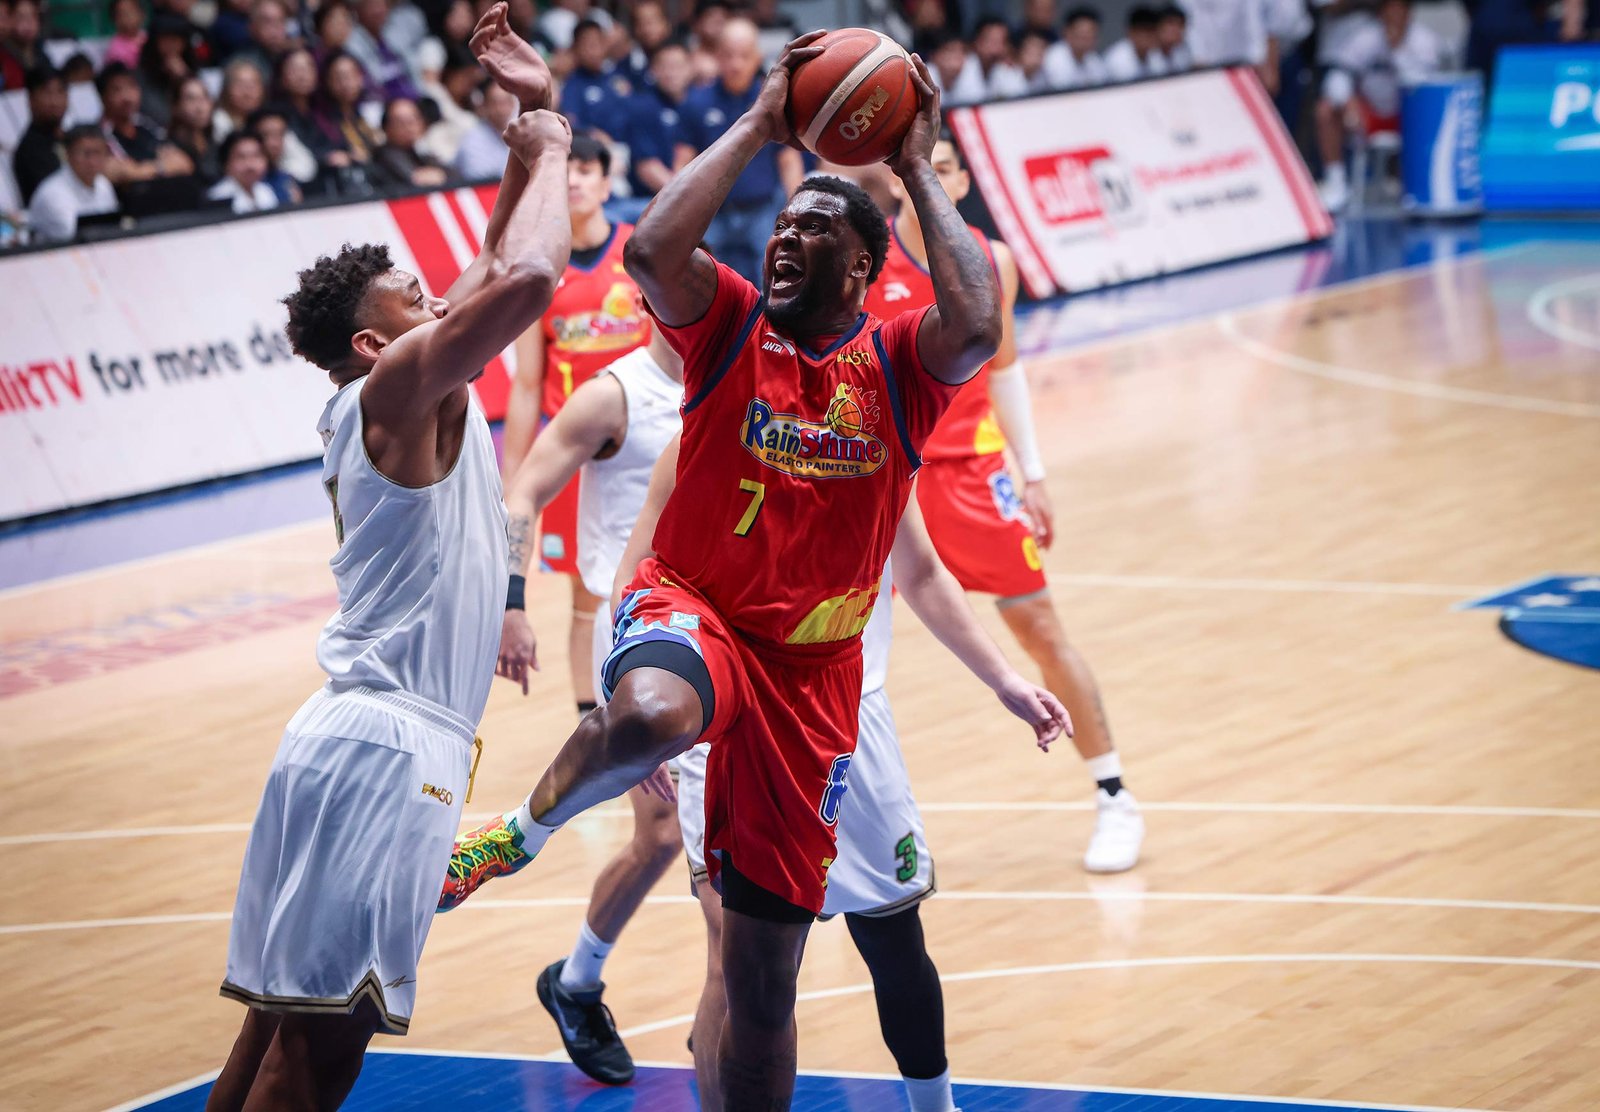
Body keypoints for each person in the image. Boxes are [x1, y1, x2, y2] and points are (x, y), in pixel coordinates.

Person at [441, 33, 1066, 1108]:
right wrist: (760, 122)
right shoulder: (729, 326)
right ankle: (517, 832)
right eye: (781, 224)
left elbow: (977, 321)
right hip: (694, 609)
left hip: (813, 683)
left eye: (815, 229)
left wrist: (913, 162)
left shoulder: (896, 366)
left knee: (761, 980)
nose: (786, 238)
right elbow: (652, 257)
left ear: (864, 272)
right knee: (647, 711)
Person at [203, 8, 571, 1110]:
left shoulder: (392, 396)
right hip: (389, 749)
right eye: (414, 301)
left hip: (335, 736)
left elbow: (492, 269)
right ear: (373, 343)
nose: (439, 302)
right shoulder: (398, 390)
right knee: (321, 1058)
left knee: (272, 1029)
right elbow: (533, 279)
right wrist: (553, 148)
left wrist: (524, 119)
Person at [866, 136, 1145, 874]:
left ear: (957, 183)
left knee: (1041, 628)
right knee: (848, 652)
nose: (939, 175)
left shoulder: (994, 261)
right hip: (889, 477)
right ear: (899, 183)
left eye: (951, 166)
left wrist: (1035, 470)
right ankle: (838, 830)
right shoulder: (867, 260)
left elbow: (1008, 369)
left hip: (973, 471)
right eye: (926, 165)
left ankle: (1115, 795)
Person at [496, 328, 686, 1086]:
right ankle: (736, 1033)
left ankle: (575, 982)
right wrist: (513, 603)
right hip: (637, 632)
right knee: (690, 842)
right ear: (644, 296)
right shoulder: (615, 394)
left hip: (720, 629)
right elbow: (525, 492)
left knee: (671, 839)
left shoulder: (741, 369)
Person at [503, 132, 651, 722]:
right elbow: (526, 385)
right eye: (566, 170)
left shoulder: (640, 256)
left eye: (587, 170)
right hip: (574, 460)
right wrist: (515, 478)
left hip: (644, 448)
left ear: (607, 183)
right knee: (586, 596)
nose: (575, 180)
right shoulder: (539, 272)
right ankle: (595, 723)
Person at [674, 16, 803, 283]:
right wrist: (683, 212)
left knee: (774, 281)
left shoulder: (772, 101)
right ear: (717, 57)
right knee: (702, 283)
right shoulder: (695, 102)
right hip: (712, 213)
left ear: (757, 57)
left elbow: (788, 159)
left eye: (744, 56)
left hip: (764, 210)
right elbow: (683, 163)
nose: (736, 64)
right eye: (729, 55)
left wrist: (796, 207)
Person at [1316, 0, 1444, 210]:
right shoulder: (1365, 38)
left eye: (1398, 10)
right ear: (1380, 14)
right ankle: (1336, 183)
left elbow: (1421, 88)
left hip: (1410, 117)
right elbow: (1337, 76)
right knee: (1326, 110)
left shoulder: (1425, 41)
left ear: (1408, 13)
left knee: (1425, 109)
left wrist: (1397, 51)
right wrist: (1348, 101)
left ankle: (1419, 183)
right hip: (1370, 116)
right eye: (1389, 11)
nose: (1393, 17)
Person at [619, 37, 690, 219]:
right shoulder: (642, 107)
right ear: (653, 70)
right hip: (650, 200)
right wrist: (687, 197)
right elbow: (647, 167)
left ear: (690, 68)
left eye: (678, 66)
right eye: (665, 66)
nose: (671, 73)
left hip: (695, 195)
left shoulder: (699, 104)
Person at [97, 62, 196, 186]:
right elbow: (121, 175)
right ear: (103, 97)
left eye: (131, 87)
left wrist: (140, 170)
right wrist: (163, 167)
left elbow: (184, 164)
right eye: (117, 90)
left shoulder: (147, 125)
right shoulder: (99, 135)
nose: (127, 97)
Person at [27, 125, 118, 242]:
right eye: (86, 154)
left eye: (98, 153)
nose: (93, 161)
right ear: (68, 154)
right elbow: (73, 237)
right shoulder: (52, 194)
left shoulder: (103, 184)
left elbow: (114, 229)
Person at [560, 17, 633, 140]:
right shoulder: (572, 85)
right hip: (596, 149)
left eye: (597, 43)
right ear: (576, 49)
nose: (593, 50)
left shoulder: (618, 76)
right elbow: (570, 122)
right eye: (587, 45)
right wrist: (593, 134)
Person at [372, 95, 456, 188]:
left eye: (413, 120)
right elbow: (413, 178)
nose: (409, 127)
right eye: (401, 122)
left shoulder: (420, 152)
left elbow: (454, 175)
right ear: (386, 128)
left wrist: (441, 175)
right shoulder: (384, 155)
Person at [14, 64, 67, 205]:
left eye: (60, 92)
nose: (55, 101)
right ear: (31, 99)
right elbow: (55, 194)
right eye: (47, 93)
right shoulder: (29, 150)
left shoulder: (72, 139)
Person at [455, 76, 515, 179]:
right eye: (495, 103)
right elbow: (481, 182)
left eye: (506, 102)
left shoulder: (521, 132)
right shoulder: (472, 142)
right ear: (484, 106)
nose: (502, 110)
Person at [207, 128, 279, 210]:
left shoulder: (266, 190)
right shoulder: (219, 197)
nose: (250, 164)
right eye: (241, 157)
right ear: (226, 163)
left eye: (256, 156)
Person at [247, 105, 305, 203]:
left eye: (280, 134)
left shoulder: (286, 179)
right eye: (266, 134)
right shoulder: (248, 180)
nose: (275, 143)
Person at [1044, 6, 1110, 88]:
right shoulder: (1054, 57)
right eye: (1082, 34)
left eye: (1090, 34)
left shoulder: (1094, 60)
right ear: (1067, 32)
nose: (1086, 38)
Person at [1104, 5, 1170, 81]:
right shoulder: (1117, 59)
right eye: (1145, 31)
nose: (1150, 36)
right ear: (1131, 32)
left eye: (1153, 31)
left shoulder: (1155, 55)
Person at [214, 58, 267, 137]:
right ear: (226, 89)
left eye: (253, 85)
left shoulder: (269, 122)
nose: (247, 93)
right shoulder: (217, 123)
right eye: (240, 85)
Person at [104, 0, 149, 69]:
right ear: (115, 20)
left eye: (132, 11)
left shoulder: (148, 36)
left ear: (142, 14)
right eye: (123, 13)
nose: (128, 16)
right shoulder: (115, 51)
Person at [1157, 4, 1194, 69]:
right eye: (1170, 23)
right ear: (1158, 27)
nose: (1176, 29)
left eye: (1180, 25)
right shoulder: (1147, 53)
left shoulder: (1182, 52)